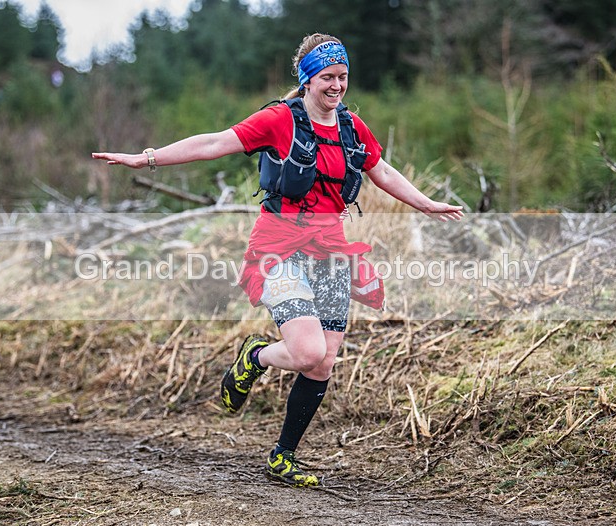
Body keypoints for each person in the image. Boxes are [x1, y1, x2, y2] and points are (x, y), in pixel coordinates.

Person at [92, 33, 464, 487]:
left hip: (330, 252)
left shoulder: (351, 127)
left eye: (343, 77)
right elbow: (214, 143)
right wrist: (147, 158)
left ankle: (282, 456)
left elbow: (381, 171)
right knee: (306, 351)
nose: (337, 86)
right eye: (328, 77)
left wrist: (426, 204)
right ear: (307, 80)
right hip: (279, 247)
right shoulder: (278, 121)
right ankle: (257, 356)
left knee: (323, 362)